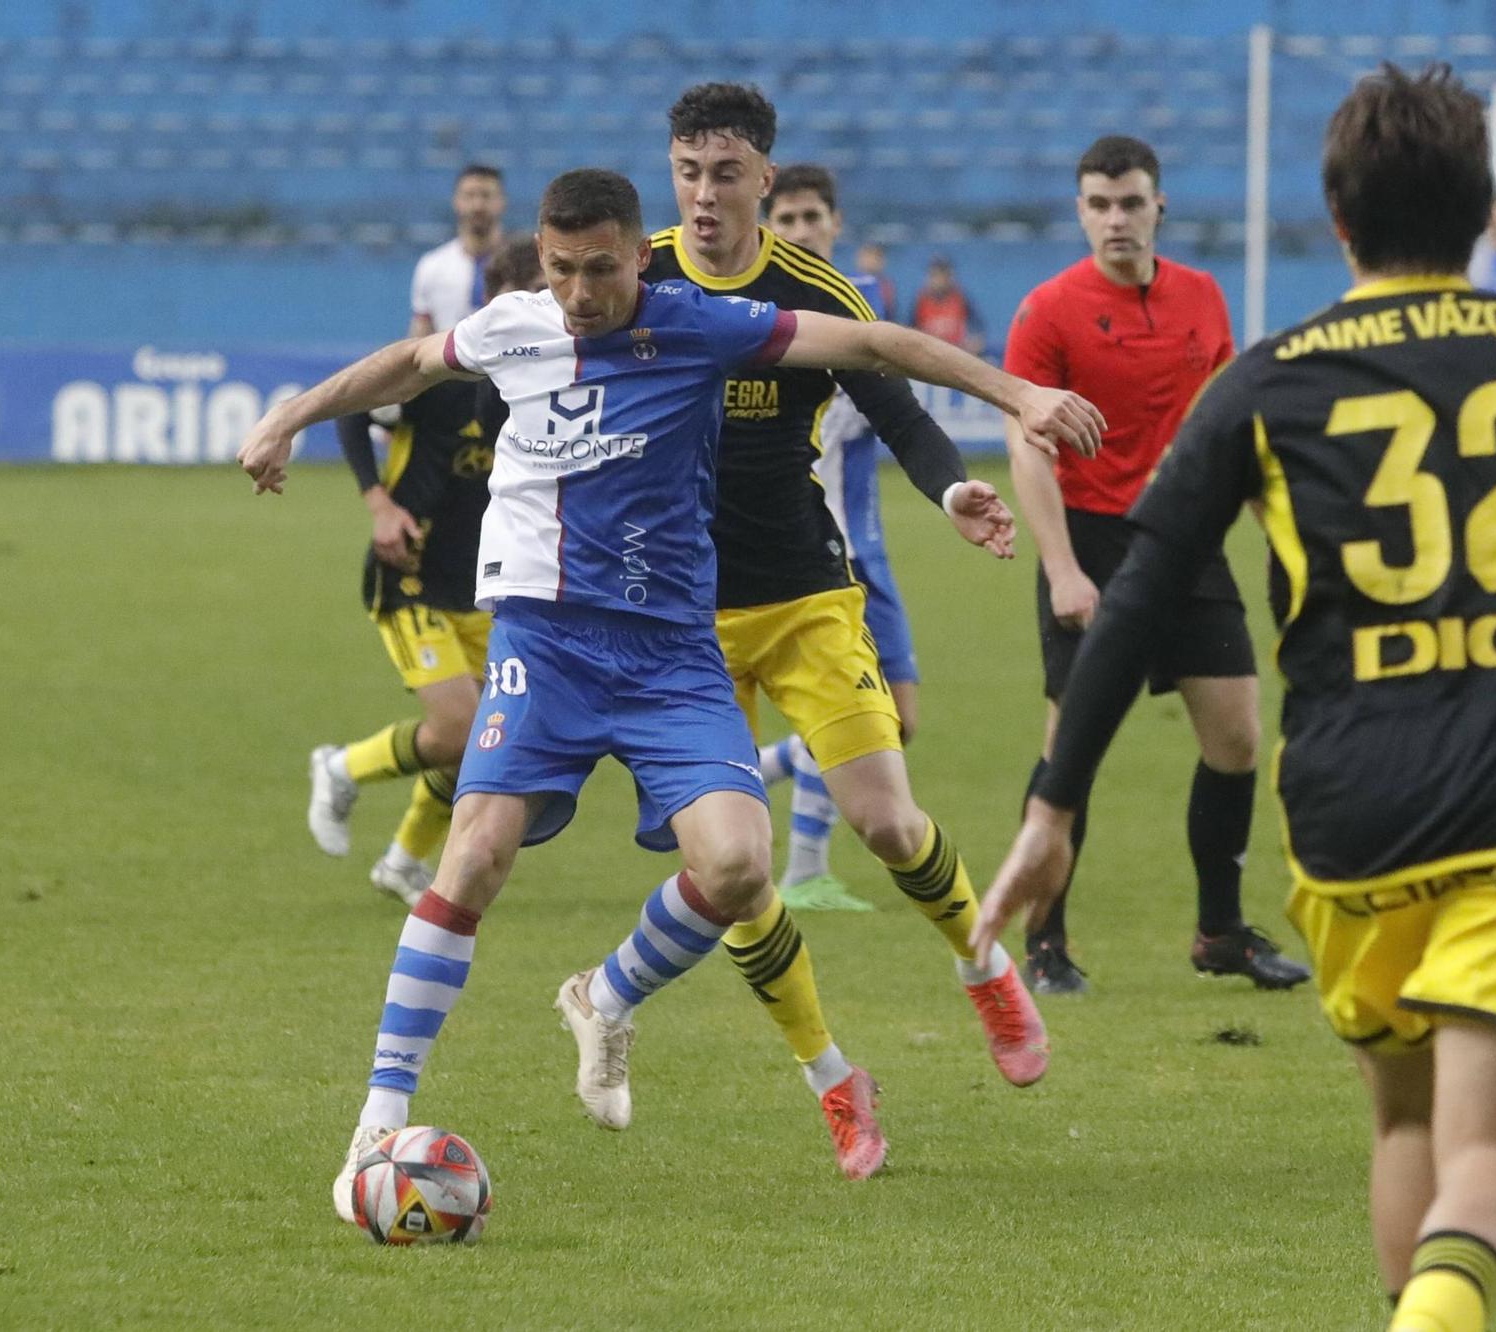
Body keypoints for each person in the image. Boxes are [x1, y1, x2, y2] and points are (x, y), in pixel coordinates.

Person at [972, 65, 1496, 1332]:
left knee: (1401, 1115)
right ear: (1481, 213)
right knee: (1488, 1162)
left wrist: (1054, 804)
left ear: (1336, 221)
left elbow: (1138, 595)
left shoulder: (1266, 381)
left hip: (1349, 816)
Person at [234, 168, 1103, 1200]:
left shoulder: (700, 327)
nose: (580, 293)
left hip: (669, 654)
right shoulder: (514, 326)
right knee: (472, 855)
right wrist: (289, 414)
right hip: (543, 644)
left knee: (739, 865)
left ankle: (606, 995)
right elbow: (411, 364)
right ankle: (374, 1128)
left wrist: (1017, 393)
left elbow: (871, 345)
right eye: (561, 270)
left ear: (636, 255)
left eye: (600, 269)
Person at [645, 83, 1056, 1093]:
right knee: (728, 869)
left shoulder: (820, 291)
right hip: (673, 616)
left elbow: (899, 411)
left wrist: (953, 485)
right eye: (688, 171)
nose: (704, 194)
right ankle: (826, 1073)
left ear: (765, 180)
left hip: (801, 594)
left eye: (726, 173)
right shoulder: (633, 278)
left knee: (886, 822)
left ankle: (984, 965)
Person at [1002, 133, 1309, 995]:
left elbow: (1230, 429)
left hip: (1185, 536)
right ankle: (1046, 943)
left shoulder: (1203, 298)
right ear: (1080, 212)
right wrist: (1061, 567)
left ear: (1158, 206)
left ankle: (1220, 933)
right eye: (1098, 205)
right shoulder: (1048, 310)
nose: (1115, 220)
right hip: (1091, 541)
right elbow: (1029, 451)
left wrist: (1283, 531)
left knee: (1239, 737)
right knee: (1070, 753)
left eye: (1131, 202)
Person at [309, 238, 543, 905]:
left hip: (483, 584)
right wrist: (378, 503)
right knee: (463, 728)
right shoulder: (447, 370)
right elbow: (355, 410)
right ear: (495, 302)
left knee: (486, 743)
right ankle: (342, 767)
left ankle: (405, 861)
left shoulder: (540, 378)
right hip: (408, 574)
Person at [755, 162, 925, 910]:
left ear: (835, 224)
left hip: (868, 542)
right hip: (809, 551)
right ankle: (805, 869)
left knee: (903, 719)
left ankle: (769, 769)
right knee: (875, 719)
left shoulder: (864, 310)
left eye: (810, 219)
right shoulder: (756, 315)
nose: (799, 232)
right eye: (784, 221)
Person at [408, 164, 506, 337]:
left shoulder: (522, 264)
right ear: (456, 201)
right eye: (469, 196)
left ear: (501, 201)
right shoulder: (432, 266)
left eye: (486, 195)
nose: (478, 205)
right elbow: (420, 335)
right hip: (448, 362)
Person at [911, 253, 985, 355]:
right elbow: (910, 330)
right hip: (929, 354)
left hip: (956, 353)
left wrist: (974, 342)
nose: (939, 280)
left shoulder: (961, 298)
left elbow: (978, 329)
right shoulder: (921, 300)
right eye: (935, 275)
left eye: (943, 274)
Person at [855, 241, 896, 321]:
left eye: (876, 257)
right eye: (868, 256)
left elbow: (888, 315)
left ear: (882, 261)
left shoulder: (886, 286)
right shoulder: (850, 281)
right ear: (859, 258)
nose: (871, 260)